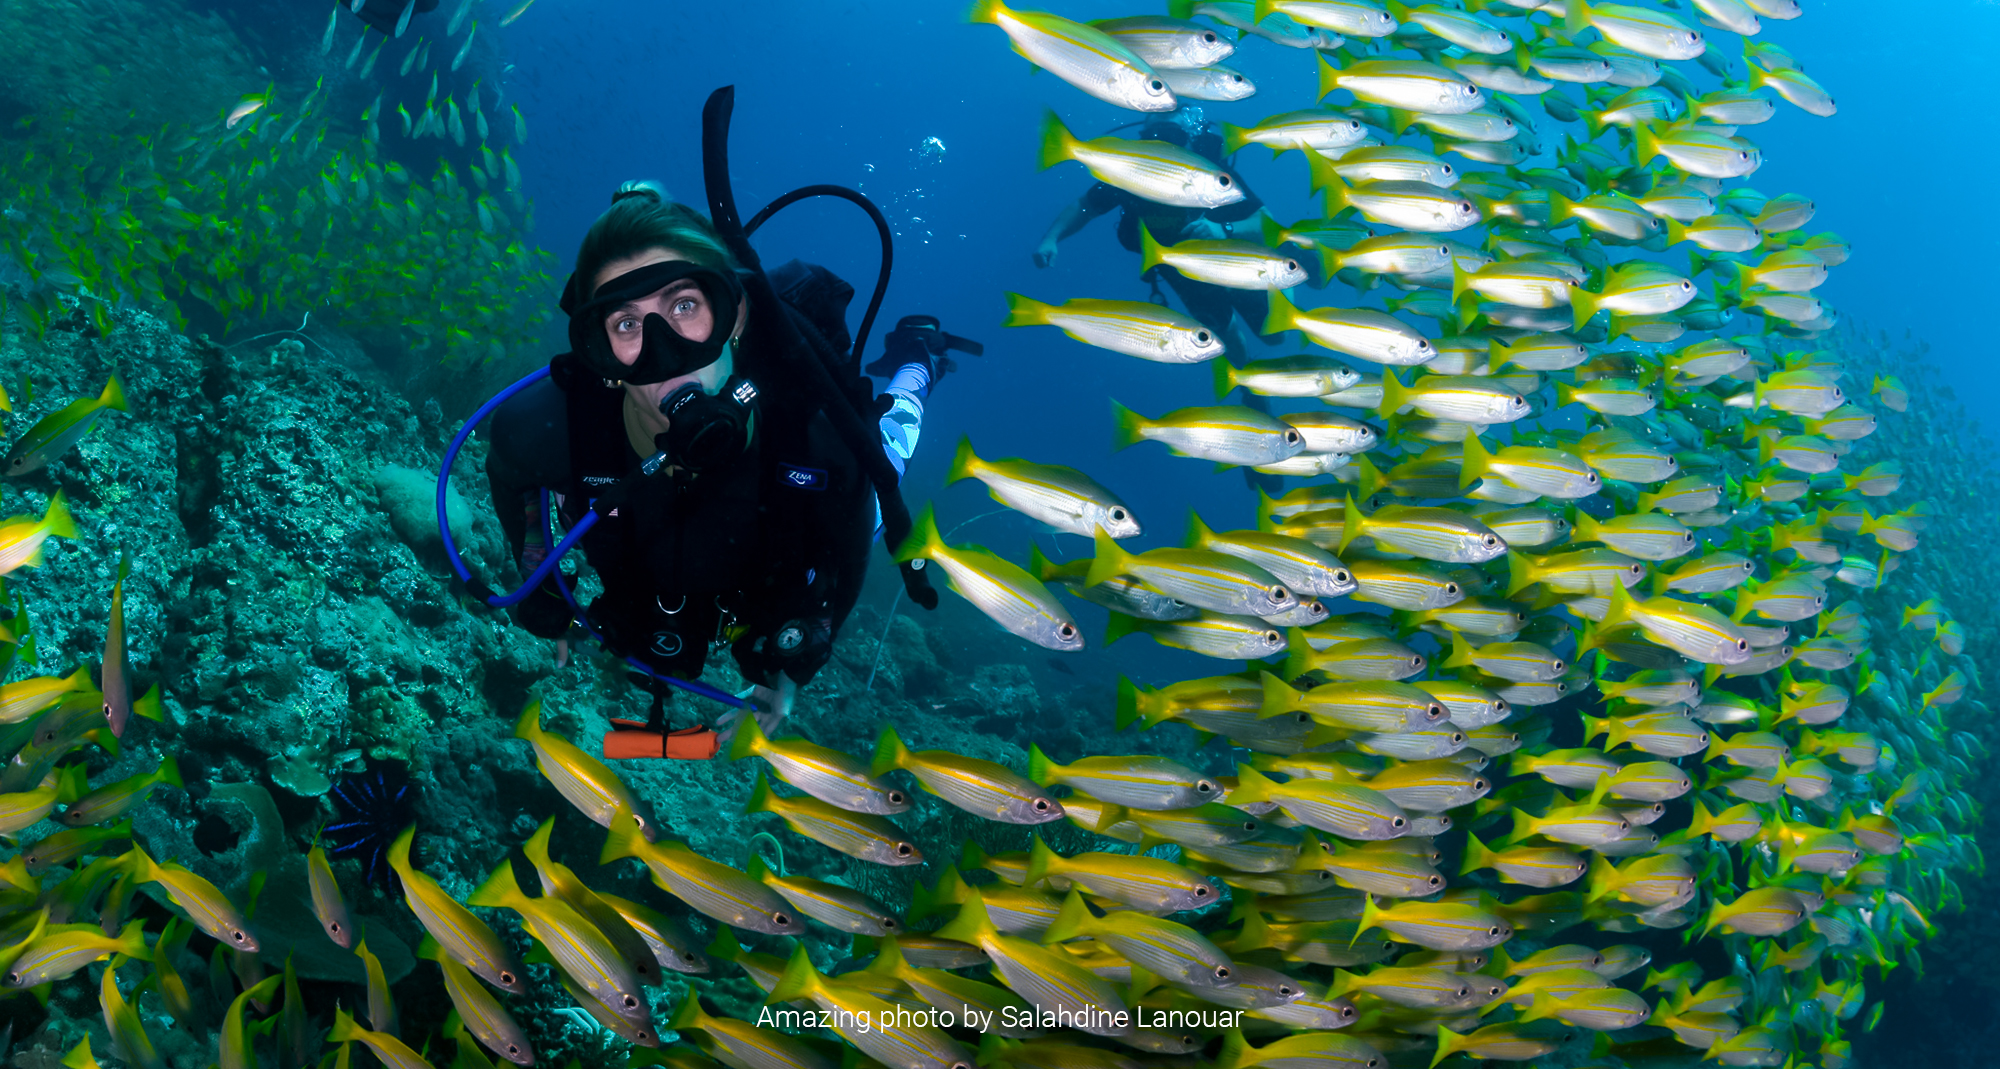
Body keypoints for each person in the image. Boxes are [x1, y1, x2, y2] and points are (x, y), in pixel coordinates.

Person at [483, 182, 970, 755]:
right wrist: (546, 592)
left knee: (894, 435)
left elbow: (849, 548)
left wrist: (794, 662)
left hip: (822, 473)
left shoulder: (818, 436)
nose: (666, 355)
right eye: (626, 324)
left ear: (734, 314)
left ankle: (916, 361)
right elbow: (512, 479)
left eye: (684, 306)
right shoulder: (548, 428)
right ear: (600, 352)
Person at [1032, 112, 1279, 361]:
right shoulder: (1132, 170)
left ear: (1189, 138)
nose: (1164, 144)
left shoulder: (1210, 172)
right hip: (1177, 267)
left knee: (1275, 336)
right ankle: (1242, 378)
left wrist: (1222, 230)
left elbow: (1265, 220)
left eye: (1173, 135)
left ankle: (1285, 269)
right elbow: (1085, 206)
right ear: (1144, 140)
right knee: (1222, 329)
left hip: (1232, 260)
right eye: (1154, 136)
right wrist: (1051, 238)